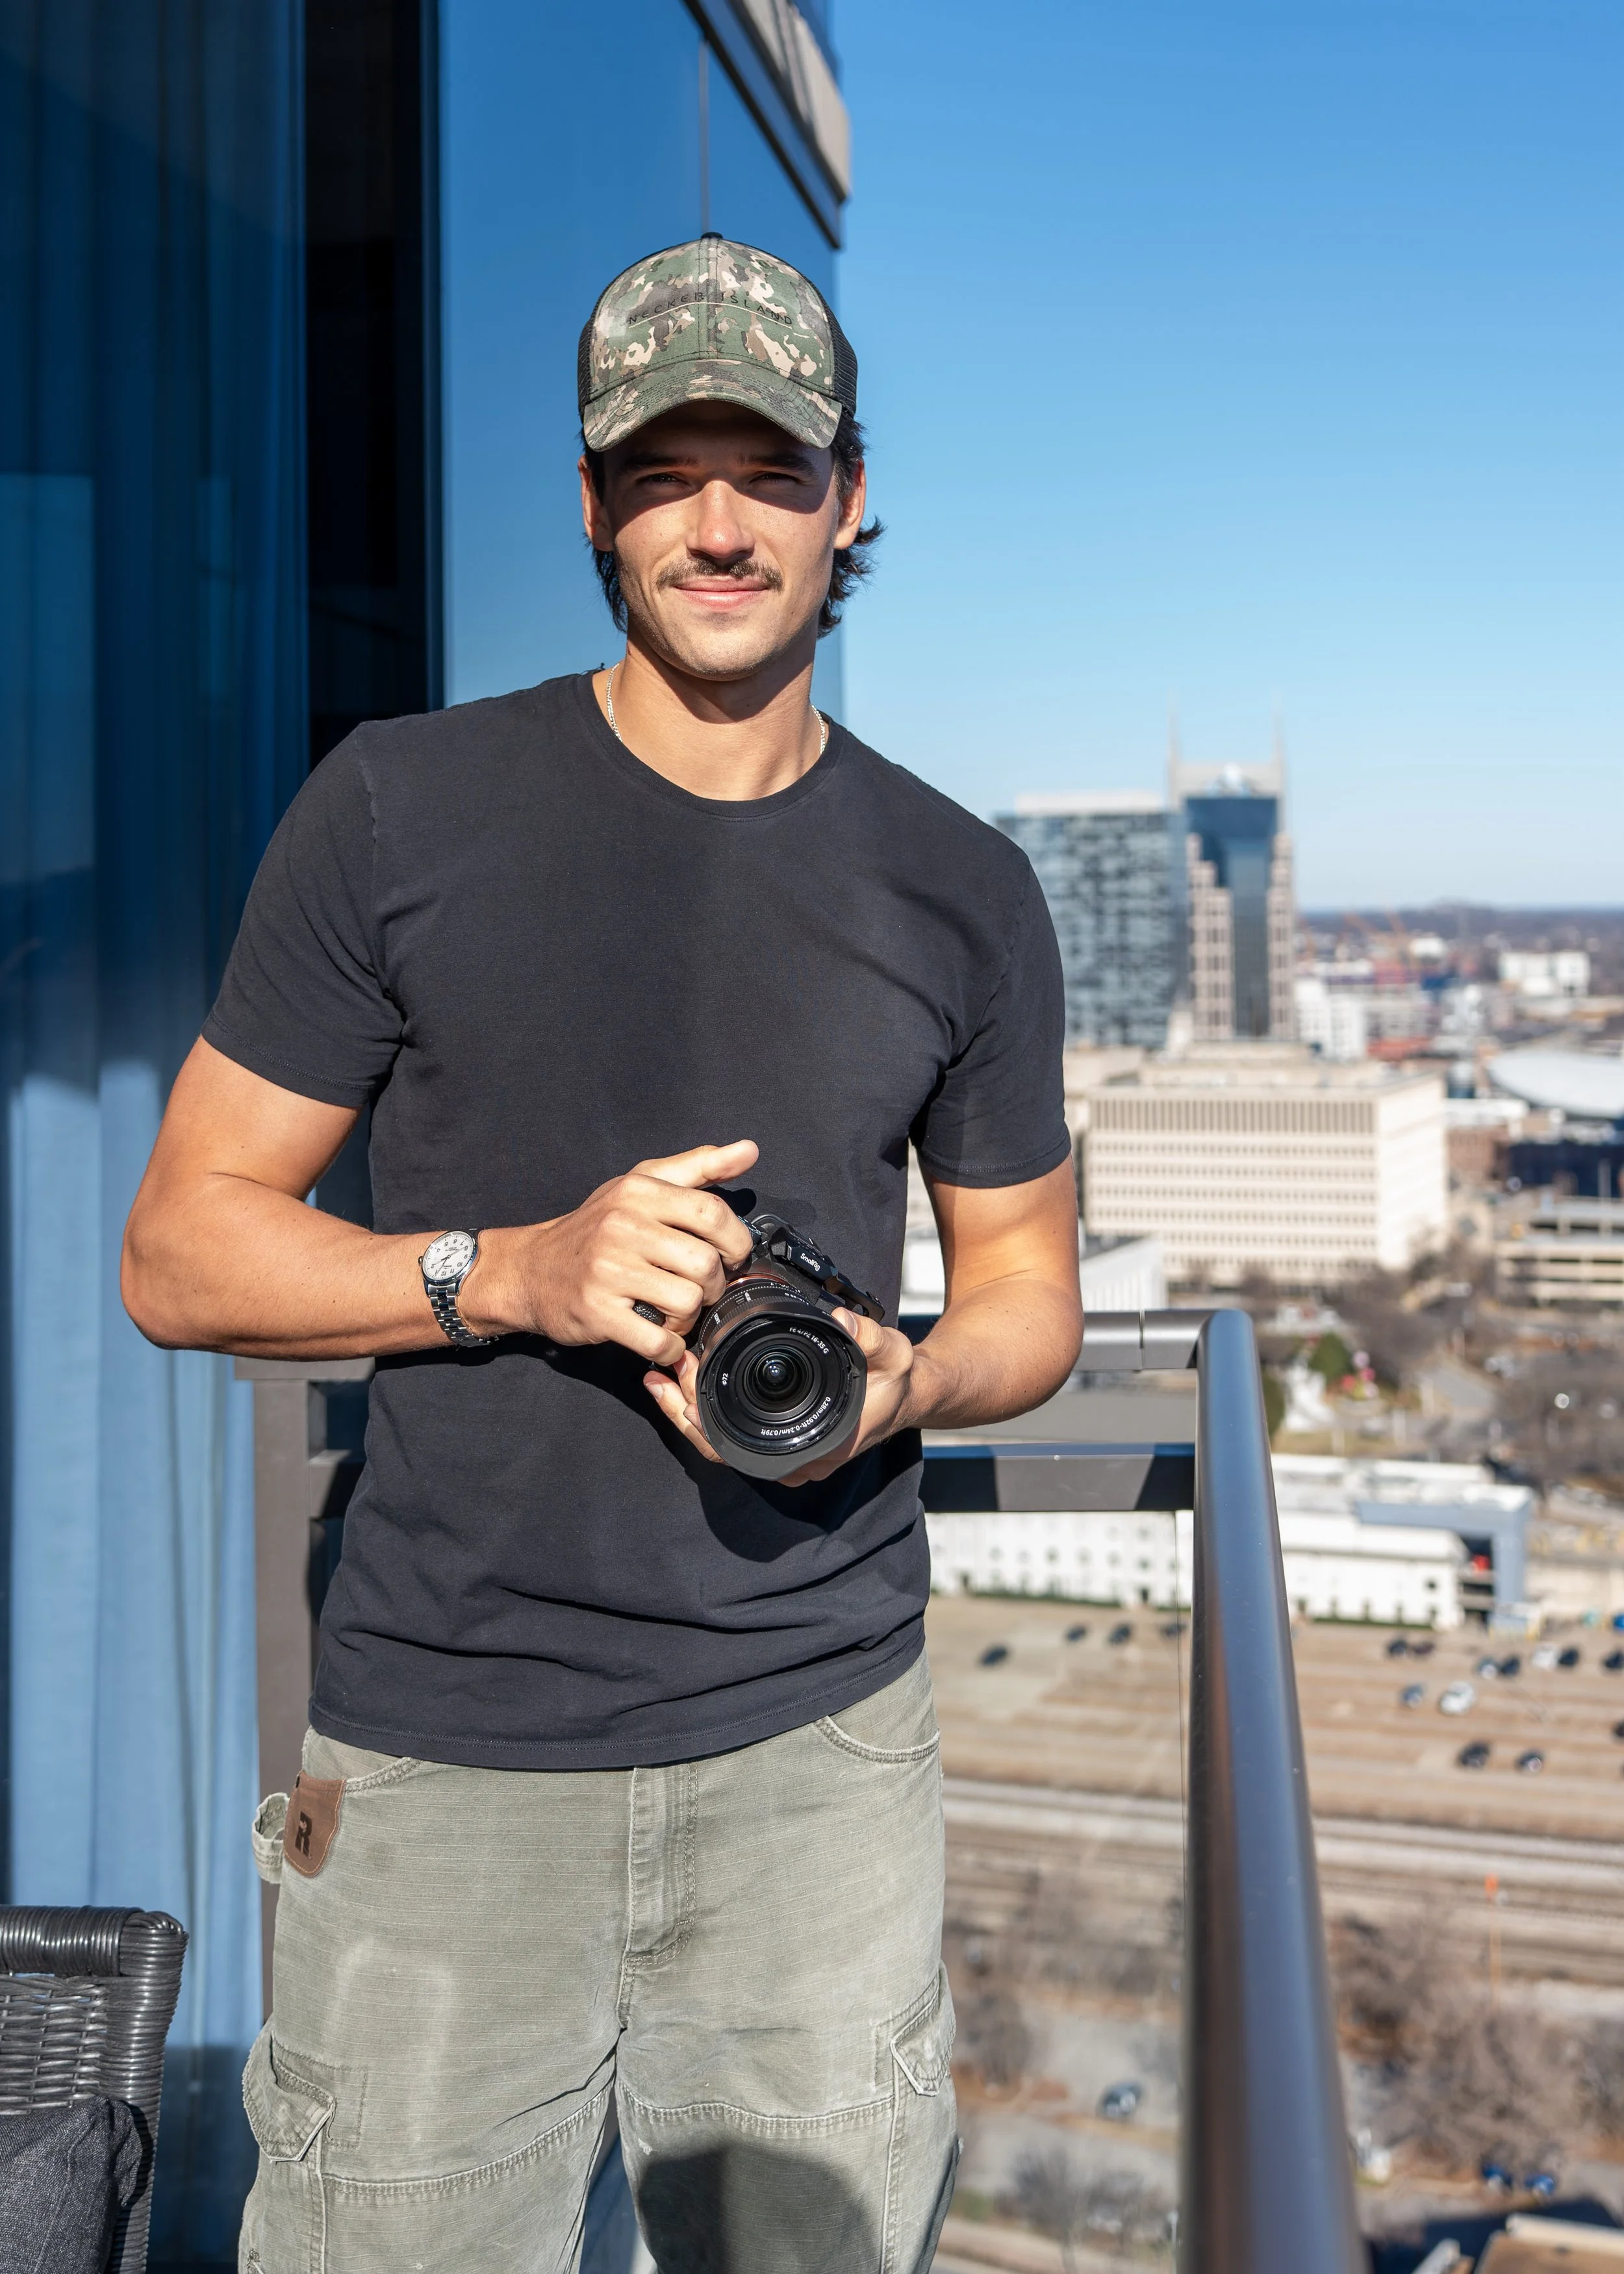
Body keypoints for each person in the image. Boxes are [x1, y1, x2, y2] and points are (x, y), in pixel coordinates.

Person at [123, 234, 1082, 2273]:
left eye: (772, 469)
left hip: (821, 1745)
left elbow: (1024, 1298)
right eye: (666, 469)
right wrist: (514, 1270)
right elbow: (182, 1250)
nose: (720, 522)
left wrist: (909, 1374)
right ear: (590, 501)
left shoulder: (963, 889)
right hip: (445, 1761)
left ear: (849, 503)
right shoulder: (397, 810)